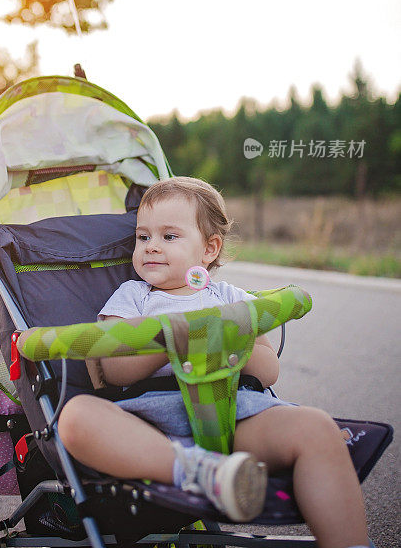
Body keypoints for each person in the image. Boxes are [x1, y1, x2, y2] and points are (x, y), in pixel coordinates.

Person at [58, 177, 372, 548]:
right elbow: (112, 371)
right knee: (76, 417)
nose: (151, 248)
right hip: (153, 425)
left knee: (316, 426)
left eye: (169, 237)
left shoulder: (228, 298)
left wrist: (226, 336)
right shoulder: (133, 297)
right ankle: (201, 471)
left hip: (233, 414)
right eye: (143, 238)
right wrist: (172, 339)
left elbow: (268, 369)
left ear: (209, 249)